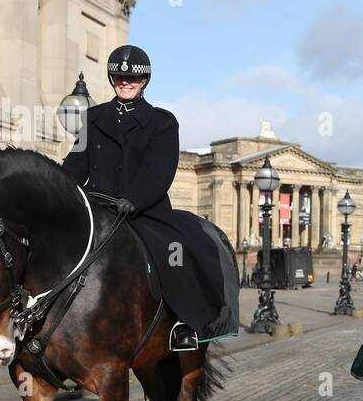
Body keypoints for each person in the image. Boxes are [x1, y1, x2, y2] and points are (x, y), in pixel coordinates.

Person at [62, 45, 234, 351]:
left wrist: (134, 200)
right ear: (112, 78)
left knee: (175, 252)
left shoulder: (162, 122)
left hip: (144, 211)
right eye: (119, 76)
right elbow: (74, 166)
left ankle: (184, 323)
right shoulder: (93, 117)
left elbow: (160, 173)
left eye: (132, 78)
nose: (125, 81)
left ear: (145, 82)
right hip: (98, 207)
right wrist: (61, 193)